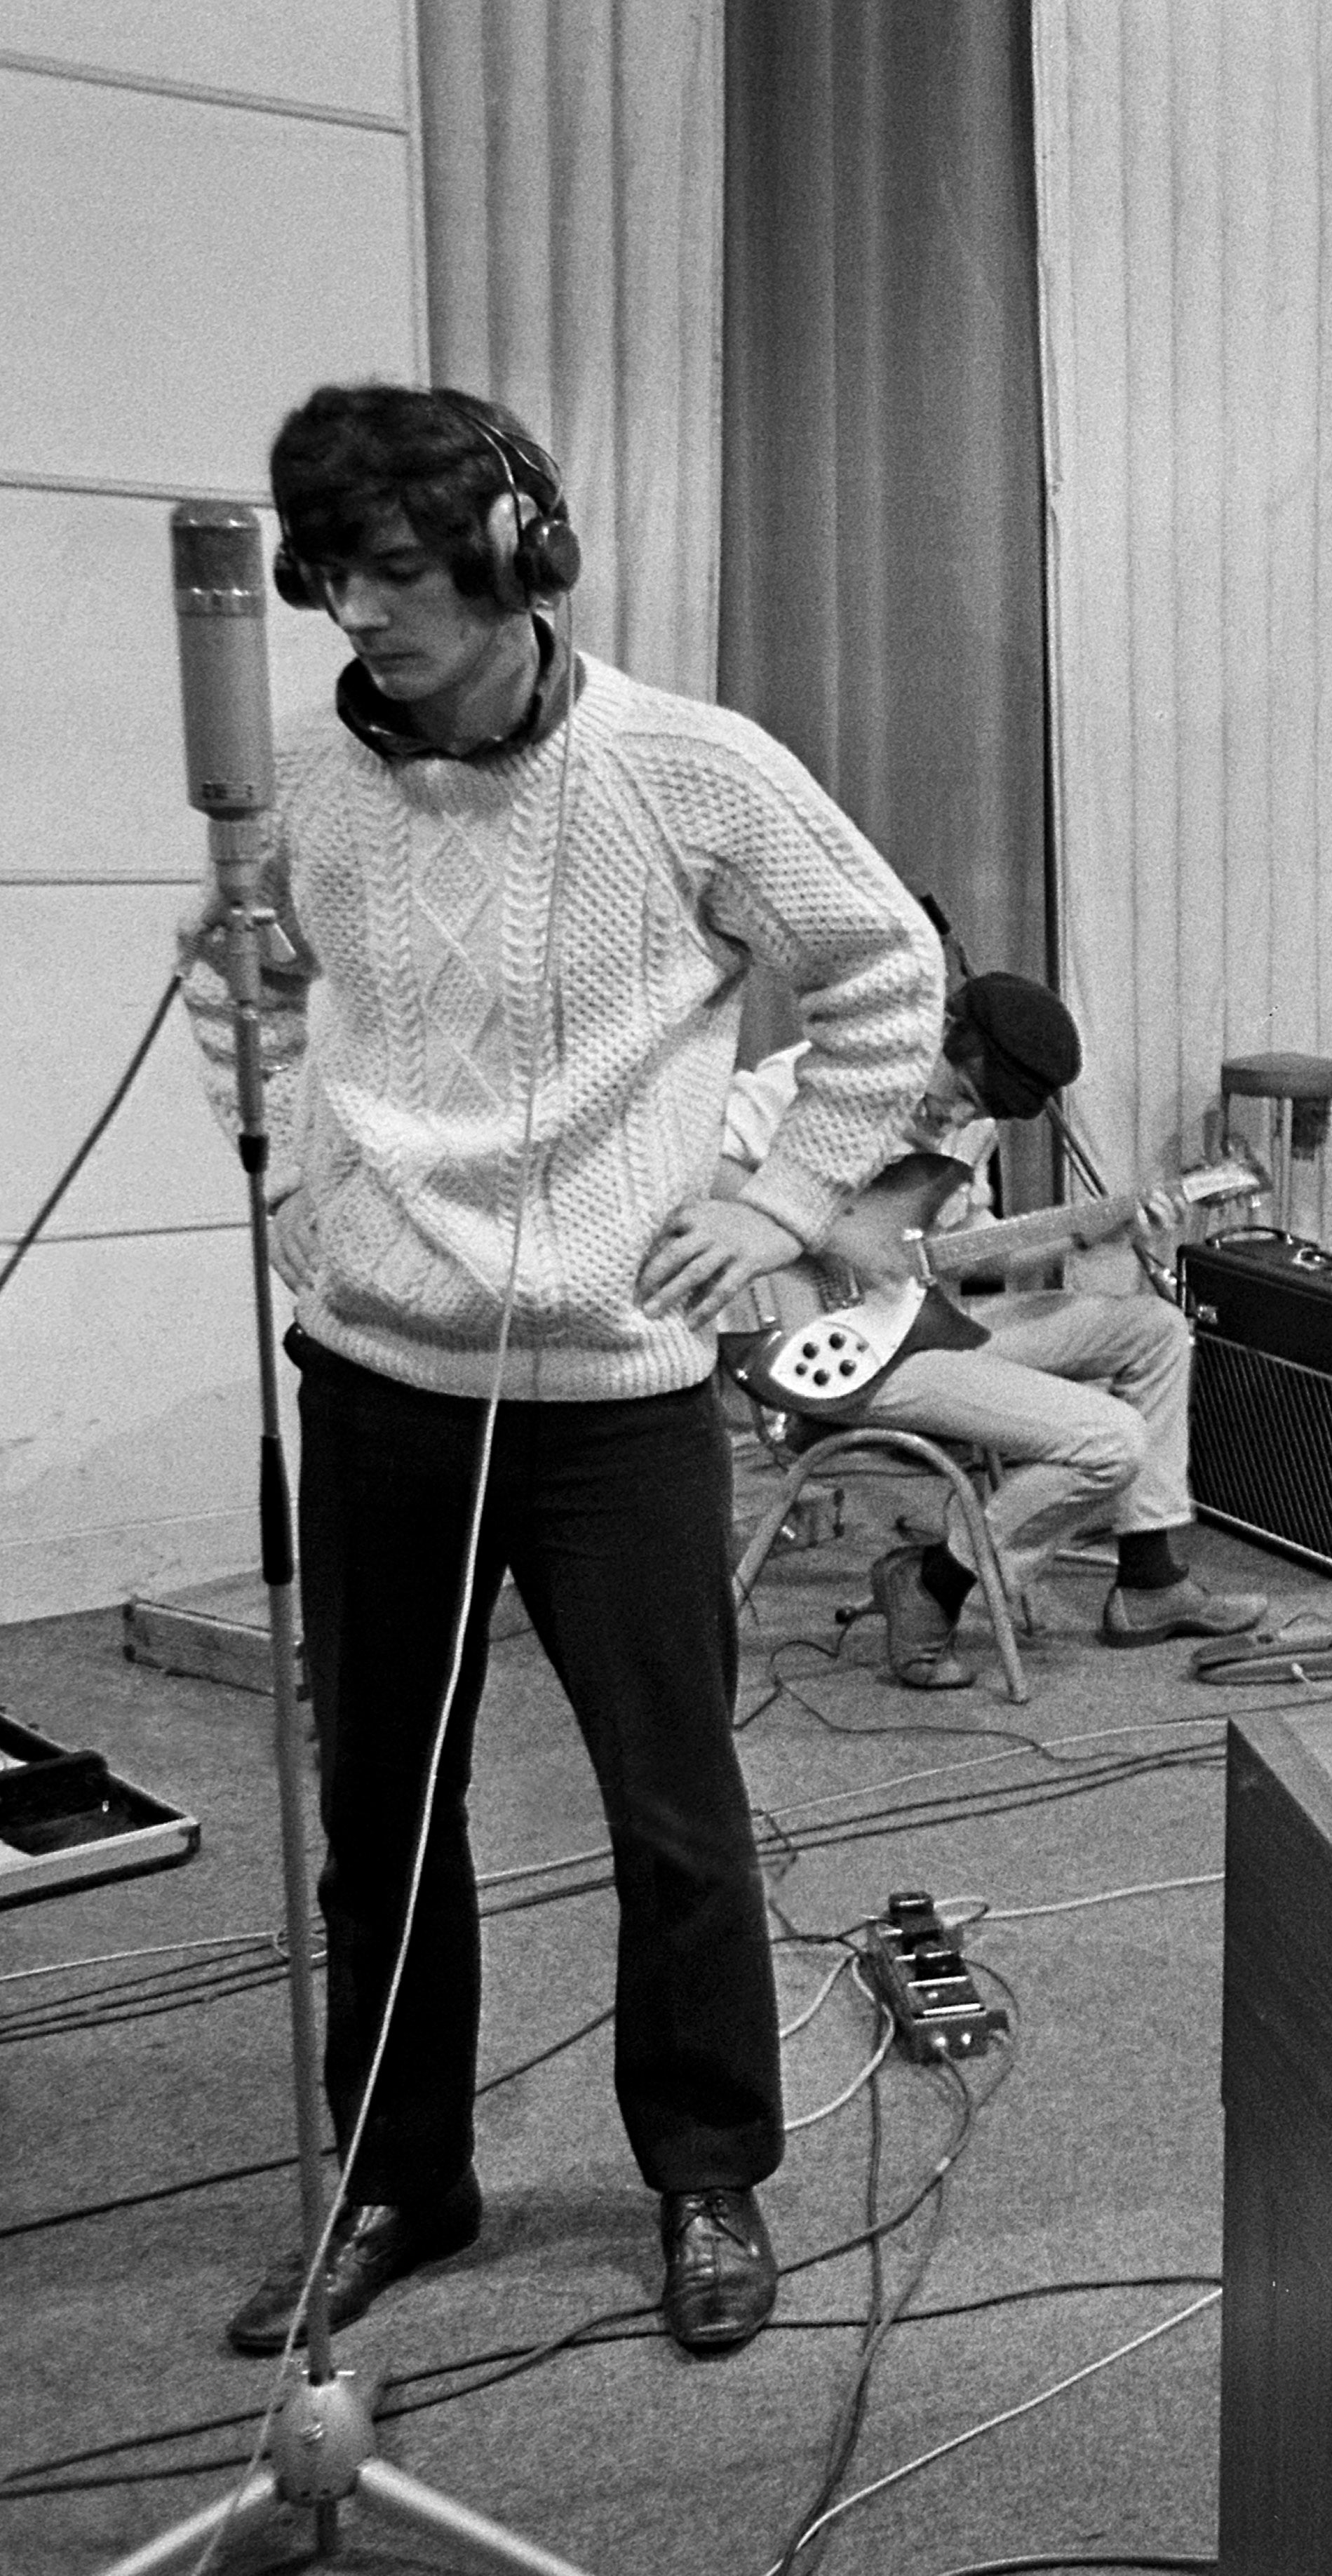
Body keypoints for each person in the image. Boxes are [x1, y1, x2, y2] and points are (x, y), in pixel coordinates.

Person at [182, 383, 943, 2359]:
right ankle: (398, 2178)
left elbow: (884, 974)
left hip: (609, 1402)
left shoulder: (686, 771)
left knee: (671, 1812)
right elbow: (272, 1009)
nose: (363, 614)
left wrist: (780, 1206)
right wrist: (287, 1138)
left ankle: (707, 2174)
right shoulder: (301, 782)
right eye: (334, 574)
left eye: (408, 573)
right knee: (381, 1815)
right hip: (369, 1380)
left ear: (525, 560)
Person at [718, 970, 1267, 1687]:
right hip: (828, 1348)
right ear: (946, 1037)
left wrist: (1094, 1235)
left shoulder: (969, 1127)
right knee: (1109, 1440)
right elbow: (708, 1170)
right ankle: (937, 1582)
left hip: (924, 1325)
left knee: (1155, 1329)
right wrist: (838, 1239)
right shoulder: (823, 1081)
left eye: (977, 1112)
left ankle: (1148, 1578)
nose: (957, 1120)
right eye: (963, 1096)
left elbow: (983, 1251)